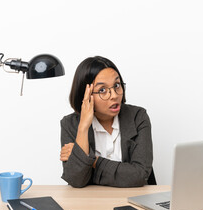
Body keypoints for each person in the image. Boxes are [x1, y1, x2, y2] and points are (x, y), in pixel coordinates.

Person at [60, 56, 154, 188]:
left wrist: (91, 160)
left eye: (117, 85)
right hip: (90, 203)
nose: (115, 95)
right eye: (102, 90)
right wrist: (83, 127)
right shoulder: (70, 124)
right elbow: (77, 180)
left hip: (134, 200)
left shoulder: (138, 117)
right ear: (85, 95)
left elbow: (139, 175)